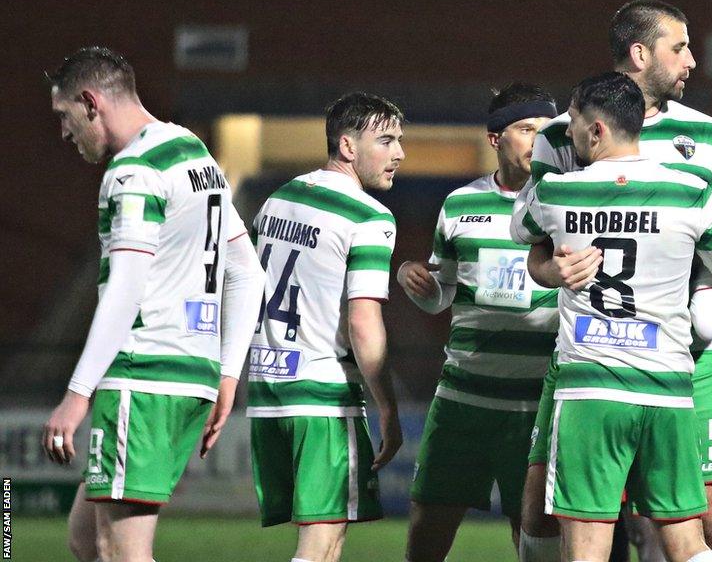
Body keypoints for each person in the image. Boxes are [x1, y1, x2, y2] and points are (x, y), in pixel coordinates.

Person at [518, 0, 712, 562]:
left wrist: (708, 289)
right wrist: (551, 270)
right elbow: (540, 254)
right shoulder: (560, 136)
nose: (692, 61)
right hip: (593, 351)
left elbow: (711, 246)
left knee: (709, 508)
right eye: (679, 47)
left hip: (683, 349)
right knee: (538, 505)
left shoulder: (704, 137)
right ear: (640, 53)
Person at [42, 46, 264, 562]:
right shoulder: (193, 154)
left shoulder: (133, 171)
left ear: (91, 102)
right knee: (85, 540)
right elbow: (247, 272)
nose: (63, 132)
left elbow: (126, 286)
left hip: (143, 376)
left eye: (65, 116)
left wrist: (77, 395)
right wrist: (228, 376)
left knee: (121, 551)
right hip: (191, 378)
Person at [397, 83, 559, 562]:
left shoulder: (564, 203)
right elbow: (444, 292)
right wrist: (421, 287)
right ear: (495, 139)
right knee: (425, 537)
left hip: (536, 401)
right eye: (526, 129)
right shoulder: (460, 204)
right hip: (463, 398)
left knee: (531, 538)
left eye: (546, 131)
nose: (537, 140)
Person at [246, 93, 405, 562]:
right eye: (386, 140)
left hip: (268, 388)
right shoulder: (369, 216)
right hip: (323, 393)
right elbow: (363, 321)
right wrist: (388, 409)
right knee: (321, 541)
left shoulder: (278, 200)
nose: (399, 153)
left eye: (400, 140)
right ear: (348, 146)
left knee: (328, 540)